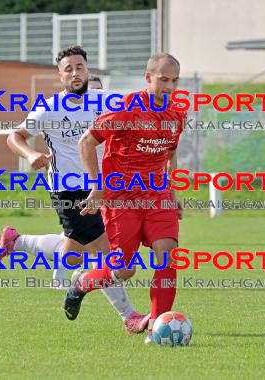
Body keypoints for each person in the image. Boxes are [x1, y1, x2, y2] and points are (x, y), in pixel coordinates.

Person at [0, 46, 149, 334]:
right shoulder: (48, 108)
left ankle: (17, 241)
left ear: (88, 69)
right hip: (69, 191)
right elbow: (14, 135)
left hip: (105, 188)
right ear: (60, 75)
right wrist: (28, 155)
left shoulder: (107, 101)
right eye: (68, 69)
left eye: (79, 67)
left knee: (74, 251)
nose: (75, 73)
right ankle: (128, 316)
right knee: (107, 253)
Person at [66, 53, 186, 344]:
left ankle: (158, 329)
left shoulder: (177, 114)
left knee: (168, 257)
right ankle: (82, 284)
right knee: (123, 269)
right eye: (163, 80)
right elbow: (87, 141)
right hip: (122, 198)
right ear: (148, 78)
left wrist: (173, 191)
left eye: (174, 81)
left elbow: (169, 154)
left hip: (157, 195)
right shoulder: (128, 108)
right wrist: (97, 186)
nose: (169, 87)